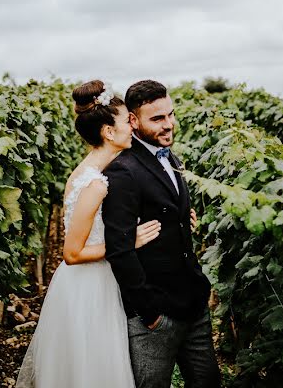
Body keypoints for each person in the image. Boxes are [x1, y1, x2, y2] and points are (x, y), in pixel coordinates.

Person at [15, 80, 162, 388]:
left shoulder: (99, 173)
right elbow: (72, 253)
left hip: (95, 281)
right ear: (108, 132)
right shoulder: (93, 183)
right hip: (88, 287)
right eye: (127, 121)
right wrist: (127, 242)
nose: (133, 126)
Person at [103, 79, 219, 388]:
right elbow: (119, 249)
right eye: (157, 118)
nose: (168, 125)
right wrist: (149, 312)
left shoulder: (172, 157)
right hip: (155, 315)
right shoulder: (122, 171)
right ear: (133, 120)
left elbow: (168, 213)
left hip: (192, 302)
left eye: (170, 114)